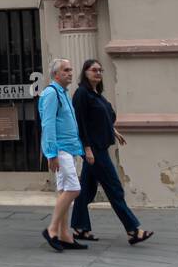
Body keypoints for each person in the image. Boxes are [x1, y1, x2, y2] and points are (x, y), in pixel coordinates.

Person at [70, 59, 153, 245]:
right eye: (93, 70)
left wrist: (114, 132)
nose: (98, 73)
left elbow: (103, 118)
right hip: (94, 150)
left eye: (100, 70)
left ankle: (80, 227)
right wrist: (87, 149)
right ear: (85, 72)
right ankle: (133, 230)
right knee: (114, 188)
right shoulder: (82, 94)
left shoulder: (96, 94)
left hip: (101, 147)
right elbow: (81, 124)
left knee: (86, 191)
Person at [38, 58, 87, 252]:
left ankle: (65, 234)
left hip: (69, 148)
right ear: (56, 74)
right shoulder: (51, 94)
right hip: (60, 149)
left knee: (65, 190)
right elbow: (48, 124)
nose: (70, 73)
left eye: (71, 69)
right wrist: (51, 153)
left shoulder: (63, 93)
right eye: (66, 70)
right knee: (74, 189)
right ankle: (52, 230)